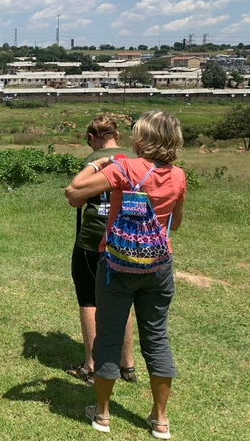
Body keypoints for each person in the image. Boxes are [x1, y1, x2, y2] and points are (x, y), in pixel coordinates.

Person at [65, 111, 185, 439]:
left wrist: (98, 165)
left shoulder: (125, 166)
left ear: (143, 140)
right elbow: (175, 223)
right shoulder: (178, 176)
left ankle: (102, 414)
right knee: (157, 338)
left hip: (117, 265)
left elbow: (74, 192)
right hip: (158, 266)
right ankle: (160, 419)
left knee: (107, 336)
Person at [65, 115, 136, 385]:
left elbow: (76, 199)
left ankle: (91, 365)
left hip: (94, 237)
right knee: (123, 299)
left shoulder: (93, 162)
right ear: (116, 135)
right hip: (128, 238)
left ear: (93, 137)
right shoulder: (135, 158)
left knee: (89, 300)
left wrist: (95, 164)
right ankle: (126, 364)